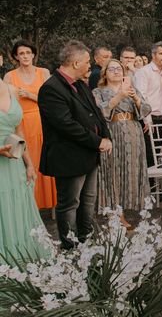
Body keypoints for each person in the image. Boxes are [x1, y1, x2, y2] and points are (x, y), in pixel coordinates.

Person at [38, 41, 112, 249]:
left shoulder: (80, 84)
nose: (90, 65)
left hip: (89, 155)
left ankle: (86, 242)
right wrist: (98, 142)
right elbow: (66, 126)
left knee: (88, 202)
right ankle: (70, 247)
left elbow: (96, 113)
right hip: (68, 157)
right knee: (70, 204)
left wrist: (106, 136)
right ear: (76, 62)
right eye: (88, 61)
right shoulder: (51, 89)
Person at [93, 59, 151, 229]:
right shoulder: (98, 91)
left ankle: (131, 209)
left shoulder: (132, 89)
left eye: (119, 69)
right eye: (112, 69)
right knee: (113, 172)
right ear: (105, 73)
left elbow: (146, 109)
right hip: (112, 132)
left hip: (134, 133)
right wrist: (119, 96)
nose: (116, 71)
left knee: (131, 171)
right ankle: (116, 217)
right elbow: (100, 112)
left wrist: (136, 99)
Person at [3, 40, 56, 210]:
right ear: (16, 57)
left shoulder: (44, 72)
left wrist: (30, 95)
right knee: (27, 161)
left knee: (44, 160)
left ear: (33, 54)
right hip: (21, 124)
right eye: (21, 53)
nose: (25, 56)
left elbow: (53, 101)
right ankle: (29, 206)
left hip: (42, 122)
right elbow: (7, 104)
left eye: (28, 52)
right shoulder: (10, 76)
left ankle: (50, 203)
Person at [0, 77, 46, 263]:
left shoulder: (12, 90)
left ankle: (24, 262)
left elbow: (19, 132)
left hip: (15, 163)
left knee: (19, 207)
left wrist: (28, 164)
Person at [134, 42, 162, 166]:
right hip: (150, 121)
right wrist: (147, 120)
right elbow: (141, 96)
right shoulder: (143, 72)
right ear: (153, 55)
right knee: (150, 158)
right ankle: (149, 185)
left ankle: (159, 185)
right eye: (161, 54)